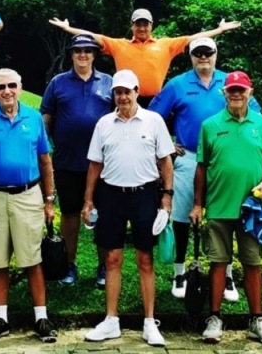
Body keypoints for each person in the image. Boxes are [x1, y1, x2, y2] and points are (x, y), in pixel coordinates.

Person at [148, 37, 260, 302]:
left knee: (226, 217)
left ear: (216, 54)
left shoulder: (229, 81)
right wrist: (166, 144)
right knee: (182, 217)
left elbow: (256, 114)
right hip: (189, 156)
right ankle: (179, 273)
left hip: (224, 159)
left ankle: (228, 276)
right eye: (197, 53)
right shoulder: (178, 84)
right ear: (191, 57)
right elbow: (153, 116)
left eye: (208, 52)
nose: (203, 57)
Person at [81, 70, 174, 347]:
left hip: (145, 195)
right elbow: (95, 164)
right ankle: (111, 321)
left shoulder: (154, 121)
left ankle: (149, 322)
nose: (123, 97)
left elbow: (166, 162)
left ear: (136, 92)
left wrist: (167, 197)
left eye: (127, 91)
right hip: (111, 195)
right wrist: (88, 199)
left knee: (145, 259)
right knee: (112, 259)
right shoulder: (104, 124)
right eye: (118, 92)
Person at [0, 68, 57, 342]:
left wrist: (49, 200)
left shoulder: (34, 117)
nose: (7, 91)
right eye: (1, 87)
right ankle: (1, 318)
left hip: (28, 196)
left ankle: (41, 318)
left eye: (11, 86)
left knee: (33, 259)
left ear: (20, 87)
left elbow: (45, 161)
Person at [189, 71, 262, 345]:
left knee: (253, 263)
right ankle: (215, 318)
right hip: (219, 206)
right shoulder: (210, 125)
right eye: (232, 90)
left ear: (250, 92)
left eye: (241, 90)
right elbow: (201, 167)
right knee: (218, 263)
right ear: (224, 93)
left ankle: (257, 320)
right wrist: (197, 204)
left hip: (251, 208)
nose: (237, 94)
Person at [40, 34, 112, 289]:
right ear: (71, 54)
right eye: (78, 50)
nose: (83, 54)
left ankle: (103, 266)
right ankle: (69, 264)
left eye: (88, 50)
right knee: (70, 215)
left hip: (103, 164)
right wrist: (45, 148)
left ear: (94, 54)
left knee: (102, 215)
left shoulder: (108, 82)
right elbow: (46, 117)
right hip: (67, 161)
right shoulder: (58, 83)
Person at [48, 9, 241, 105]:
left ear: (151, 25)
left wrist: (219, 30)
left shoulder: (166, 44)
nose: (142, 28)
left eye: (145, 24)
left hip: (156, 101)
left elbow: (193, 38)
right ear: (132, 26)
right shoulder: (119, 44)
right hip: (126, 98)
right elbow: (92, 36)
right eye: (138, 24)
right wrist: (68, 29)